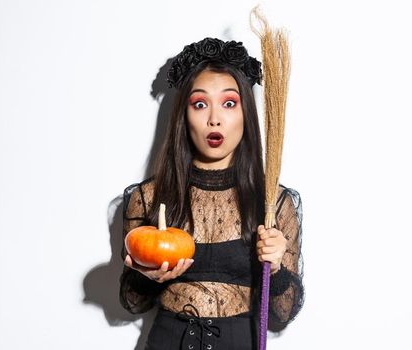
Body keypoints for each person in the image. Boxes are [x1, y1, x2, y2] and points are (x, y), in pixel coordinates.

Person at [119, 37, 304, 350]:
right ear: (184, 115)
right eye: (200, 104)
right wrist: (145, 277)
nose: (214, 118)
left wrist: (276, 269)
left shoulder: (273, 203)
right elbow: (132, 302)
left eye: (229, 103)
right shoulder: (149, 197)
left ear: (246, 114)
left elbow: (283, 313)